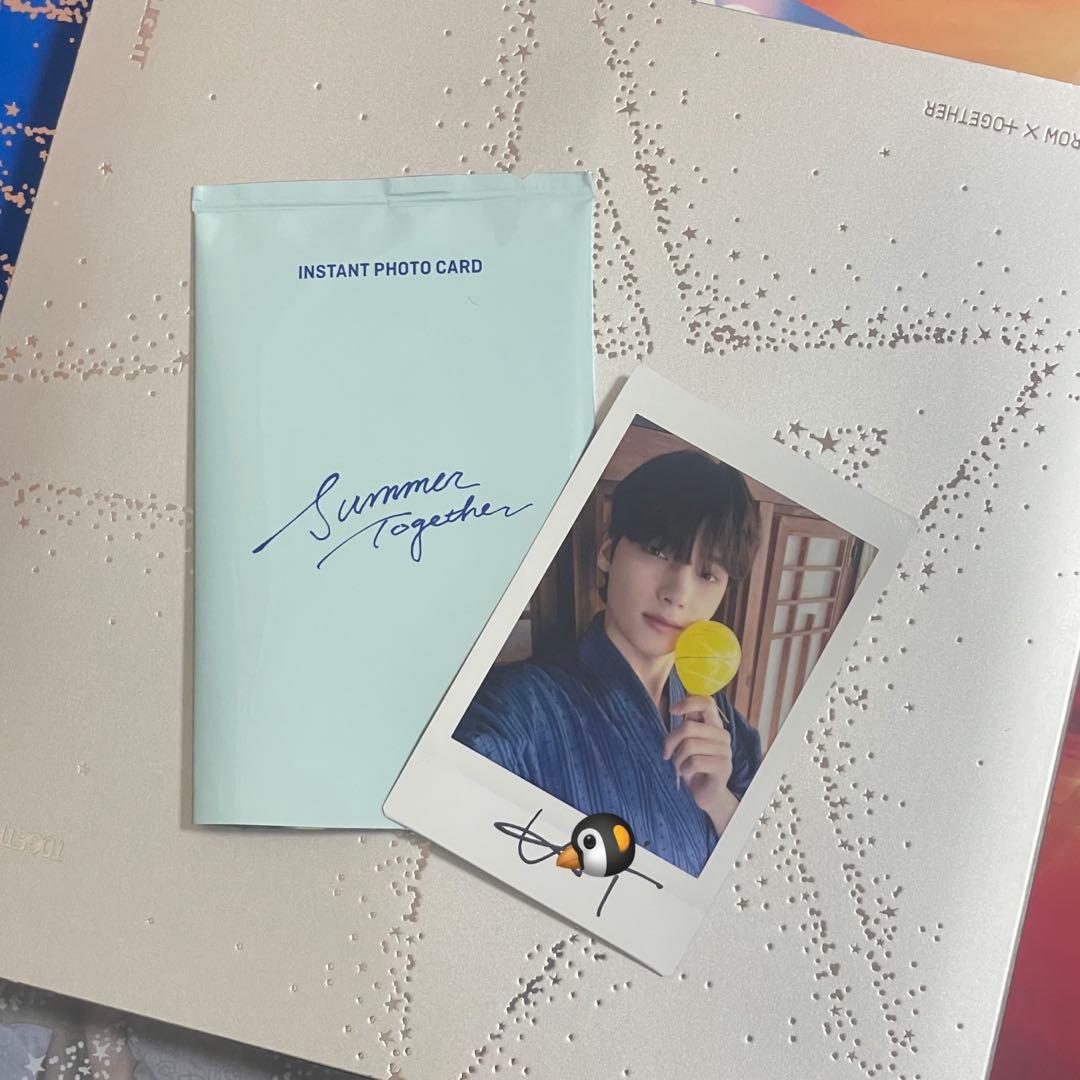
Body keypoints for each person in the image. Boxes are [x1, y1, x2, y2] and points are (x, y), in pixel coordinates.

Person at [453, 449, 763, 876]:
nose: (677, 593)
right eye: (658, 550)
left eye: (707, 574)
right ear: (608, 552)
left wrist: (720, 801)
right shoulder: (522, 707)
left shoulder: (718, 717)